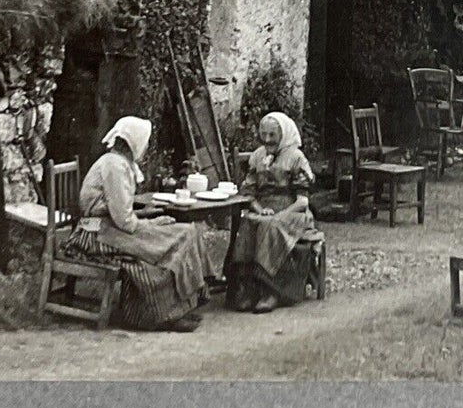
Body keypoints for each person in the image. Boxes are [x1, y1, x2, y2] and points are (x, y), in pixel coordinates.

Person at [61, 116, 211, 332]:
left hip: (107, 227)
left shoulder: (119, 163)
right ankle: (161, 316)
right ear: (135, 142)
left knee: (183, 232)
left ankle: (177, 309)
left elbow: (119, 212)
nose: (147, 146)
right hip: (94, 234)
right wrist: (151, 225)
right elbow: (124, 221)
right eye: (146, 141)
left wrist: (147, 220)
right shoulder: (114, 166)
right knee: (174, 240)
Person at [225, 112, 321, 313]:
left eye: (272, 136)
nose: (267, 140)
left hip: (293, 212)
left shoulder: (296, 157)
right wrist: (261, 210)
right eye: (264, 135)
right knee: (249, 222)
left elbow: (302, 201)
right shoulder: (258, 156)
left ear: (283, 135)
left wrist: (280, 214)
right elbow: (249, 193)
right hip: (266, 210)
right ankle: (249, 288)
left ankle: (271, 290)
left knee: (271, 226)